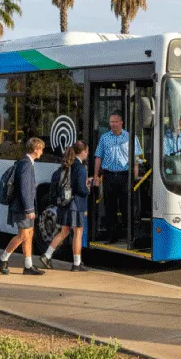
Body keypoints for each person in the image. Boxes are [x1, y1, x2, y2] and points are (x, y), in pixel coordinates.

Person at [0, 137, 46, 276]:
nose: (42, 152)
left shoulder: (26, 163)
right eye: (41, 149)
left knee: (29, 234)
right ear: (35, 149)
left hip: (24, 206)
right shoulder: (25, 164)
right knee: (23, 234)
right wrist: (29, 209)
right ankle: (2, 258)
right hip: (22, 207)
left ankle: (28, 266)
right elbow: (24, 188)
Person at [93, 110, 142, 244]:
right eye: (111, 122)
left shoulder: (130, 137)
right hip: (108, 176)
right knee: (110, 207)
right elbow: (98, 157)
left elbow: (135, 159)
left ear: (121, 122)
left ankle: (129, 236)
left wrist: (134, 178)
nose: (113, 124)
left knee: (127, 206)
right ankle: (112, 236)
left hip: (124, 176)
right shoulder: (104, 138)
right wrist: (96, 176)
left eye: (115, 122)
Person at [40, 141, 90, 272]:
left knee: (64, 232)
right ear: (83, 151)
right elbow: (80, 189)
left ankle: (47, 255)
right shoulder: (80, 167)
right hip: (76, 205)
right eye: (86, 151)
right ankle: (77, 264)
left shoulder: (67, 164)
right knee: (78, 233)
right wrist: (88, 188)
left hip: (64, 203)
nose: (87, 153)